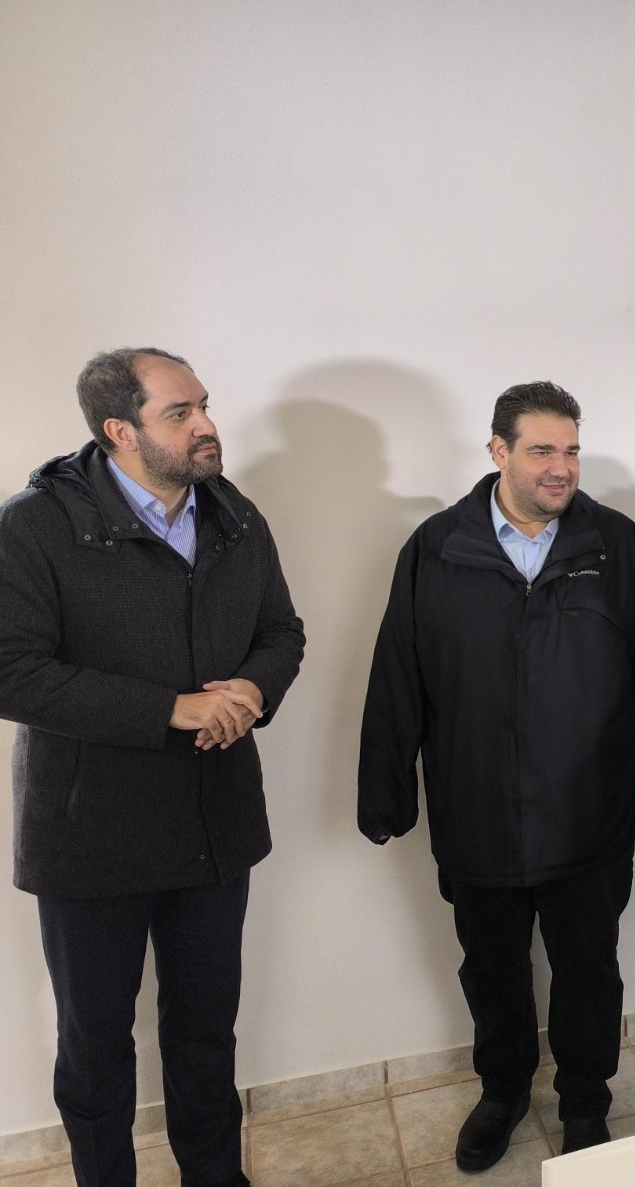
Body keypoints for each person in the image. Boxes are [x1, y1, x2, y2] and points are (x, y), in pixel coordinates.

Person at [358, 381, 635, 1165]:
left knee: (587, 971)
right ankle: (502, 1091)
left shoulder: (619, 549)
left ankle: (585, 1102)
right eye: (542, 450)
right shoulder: (435, 549)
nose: (561, 467)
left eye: (571, 450)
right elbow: (398, 675)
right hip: (477, 814)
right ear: (498, 451)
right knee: (492, 970)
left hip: (589, 816)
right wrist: (386, 795)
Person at [0, 347, 306, 1187]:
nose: (206, 424)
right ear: (119, 430)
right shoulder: (33, 526)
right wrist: (173, 708)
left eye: (203, 404)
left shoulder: (236, 515)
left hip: (215, 822)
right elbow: (12, 672)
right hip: (88, 834)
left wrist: (252, 688)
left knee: (206, 1035)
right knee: (95, 1047)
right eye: (180, 413)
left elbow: (282, 631)